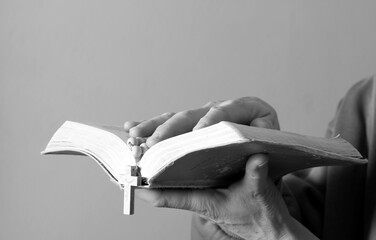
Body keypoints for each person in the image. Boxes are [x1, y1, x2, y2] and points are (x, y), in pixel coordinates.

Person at [123, 75, 375, 240]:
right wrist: (229, 171)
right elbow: (320, 221)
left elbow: (275, 224)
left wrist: (273, 230)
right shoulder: (362, 105)